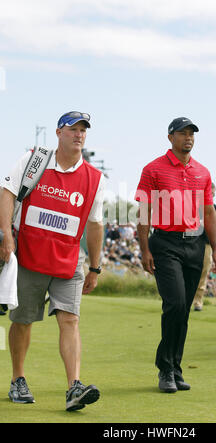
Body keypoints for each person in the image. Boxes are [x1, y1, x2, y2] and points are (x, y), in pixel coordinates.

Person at [0, 111, 104, 411]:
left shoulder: (94, 179)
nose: (79, 135)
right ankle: (18, 379)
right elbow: (7, 193)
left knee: (70, 320)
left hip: (69, 261)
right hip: (29, 257)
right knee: (22, 321)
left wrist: (95, 266)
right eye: (73, 129)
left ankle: (74, 387)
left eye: (83, 130)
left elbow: (95, 225)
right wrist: (6, 235)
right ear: (59, 132)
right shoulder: (35, 160)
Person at [135, 117, 216, 393]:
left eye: (191, 134)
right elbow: (143, 211)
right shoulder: (153, 169)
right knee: (174, 304)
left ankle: (175, 366)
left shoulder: (203, 172)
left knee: (183, 310)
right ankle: (165, 368)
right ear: (170, 137)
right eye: (183, 133)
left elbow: (209, 213)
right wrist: (144, 248)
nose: (188, 138)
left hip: (195, 245)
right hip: (165, 244)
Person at [193, 182, 216, 311]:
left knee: (203, 273)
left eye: (213, 194)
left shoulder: (215, 209)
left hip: (206, 245)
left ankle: (198, 301)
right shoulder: (193, 207)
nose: (211, 196)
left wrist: (209, 224)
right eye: (209, 193)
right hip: (191, 243)